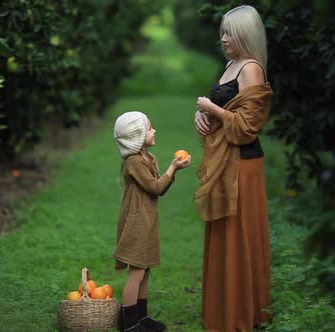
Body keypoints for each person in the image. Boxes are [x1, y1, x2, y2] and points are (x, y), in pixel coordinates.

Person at [193, 5, 273, 332]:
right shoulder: (231, 65)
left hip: (243, 164)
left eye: (230, 32)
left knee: (239, 234)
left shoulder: (251, 69)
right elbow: (225, 114)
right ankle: (221, 309)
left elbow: (245, 129)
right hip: (225, 161)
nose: (223, 38)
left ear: (245, 34)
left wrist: (210, 107)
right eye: (223, 32)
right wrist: (203, 117)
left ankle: (241, 314)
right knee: (223, 232)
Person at [113, 111, 192, 332]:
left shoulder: (145, 157)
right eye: (149, 128)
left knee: (145, 269)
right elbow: (156, 188)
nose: (154, 130)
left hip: (145, 219)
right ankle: (129, 323)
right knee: (137, 271)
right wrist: (173, 168)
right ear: (136, 136)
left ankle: (141, 316)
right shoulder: (134, 161)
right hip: (136, 221)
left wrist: (172, 168)